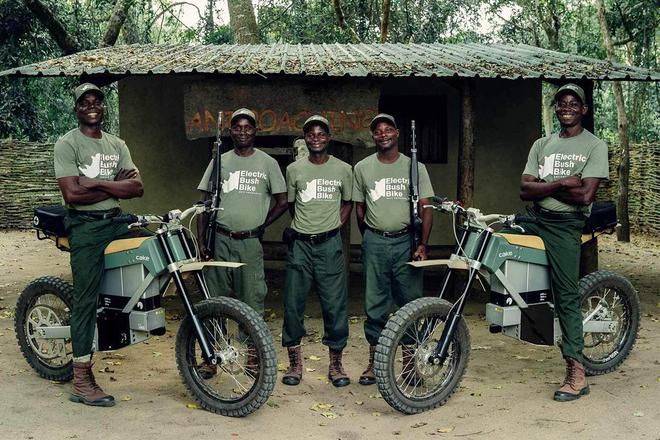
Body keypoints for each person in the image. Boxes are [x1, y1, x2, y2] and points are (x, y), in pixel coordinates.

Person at [55, 83, 144, 407]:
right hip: (86, 227)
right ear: (77, 109)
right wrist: (116, 187)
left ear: (104, 107)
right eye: (84, 102)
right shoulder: (67, 144)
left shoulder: (116, 144)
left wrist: (95, 182)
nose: (91, 106)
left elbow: (137, 187)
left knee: (156, 244)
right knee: (85, 299)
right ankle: (81, 378)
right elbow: (73, 195)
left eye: (97, 101)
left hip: (115, 222)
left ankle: (127, 320)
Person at [519, 83, 609, 402]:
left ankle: (576, 370)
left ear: (583, 110)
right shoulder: (542, 144)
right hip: (536, 218)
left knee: (567, 295)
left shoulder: (594, 145)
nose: (567, 106)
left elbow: (585, 195)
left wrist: (543, 186)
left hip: (566, 225)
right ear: (556, 109)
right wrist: (561, 183)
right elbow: (524, 189)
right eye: (561, 103)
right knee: (496, 241)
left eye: (574, 103)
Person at [196, 108, 288, 375]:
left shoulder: (267, 163)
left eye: (248, 127)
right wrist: (203, 243)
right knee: (214, 301)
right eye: (237, 127)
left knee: (252, 301)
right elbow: (204, 204)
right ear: (231, 132)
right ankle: (211, 356)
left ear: (255, 132)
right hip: (220, 240)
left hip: (250, 243)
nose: (243, 131)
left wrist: (261, 224)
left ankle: (252, 357)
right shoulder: (219, 161)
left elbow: (283, 202)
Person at [352, 113, 434, 385]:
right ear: (373, 136)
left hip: (406, 242)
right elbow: (359, 207)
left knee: (409, 303)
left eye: (388, 129)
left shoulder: (415, 167)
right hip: (375, 241)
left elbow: (425, 207)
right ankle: (375, 363)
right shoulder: (363, 167)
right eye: (378, 131)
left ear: (397, 133)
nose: (383, 134)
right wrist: (371, 237)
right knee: (375, 304)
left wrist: (422, 243)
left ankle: (410, 364)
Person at [280, 115, 353, 387]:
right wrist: (305, 226)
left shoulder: (344, 169)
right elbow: (291, 205)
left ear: (329, 138)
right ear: (305, 139)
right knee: (293, 303)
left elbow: (348, 202)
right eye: (311, 134)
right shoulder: (294, 170)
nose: (316, 138)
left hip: (329, 245)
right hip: (300, 245)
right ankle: (295, 364)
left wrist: (335, 224)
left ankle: (336, 365)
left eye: (321, 134)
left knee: (334, 305)